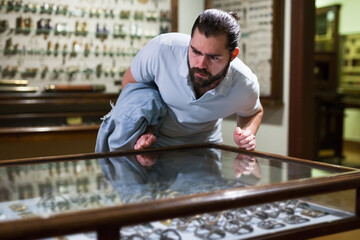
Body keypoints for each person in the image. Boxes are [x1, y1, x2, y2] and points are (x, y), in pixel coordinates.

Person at [121, 9, 263, 151]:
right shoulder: (162, 50)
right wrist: (144, 128)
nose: (201, 65)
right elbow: (129, 84)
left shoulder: (245, 83)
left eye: (213, 57)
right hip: (154, 140)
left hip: (204, 145)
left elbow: (254, 112)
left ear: (233, 55)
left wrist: (247, 133)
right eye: (195, 51)